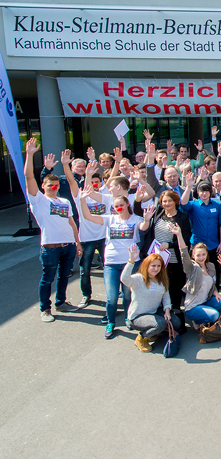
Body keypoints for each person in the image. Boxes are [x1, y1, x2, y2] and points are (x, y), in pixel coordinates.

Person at [80, 183, 154, 339]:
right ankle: (111, 322)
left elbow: (143, 227)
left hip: (130, 263)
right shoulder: (109, 219)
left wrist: (147, 219)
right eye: (116, 206)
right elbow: (88, 216)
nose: (118, 208)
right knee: (112, 297)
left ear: (127, 203)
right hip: (111, 263)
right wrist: (82, 200)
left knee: (127, 295)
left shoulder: (136, 219)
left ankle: (128, 318)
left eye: (121, 205)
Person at [24, 139, 82, 323]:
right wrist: (30, 154)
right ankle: (45, 309)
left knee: (64, 276)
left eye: (56, 185)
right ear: (44, 186)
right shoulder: (39, 200)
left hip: (69, 246)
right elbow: (29, 178)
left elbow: (72, 223)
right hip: (50, 247)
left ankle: (61, 302)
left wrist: (77, 243)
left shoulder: (64, 202)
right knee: (48, 278)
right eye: (50, 185)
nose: (54, 187)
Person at [135, 190, 192, 333]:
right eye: (164, 201)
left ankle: (176, 321)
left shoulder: (182, 218)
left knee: (174, 289)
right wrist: (137, 200)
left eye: (169, 201)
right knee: (158, 286)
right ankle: (161, 318)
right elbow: (137, 212)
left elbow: (186, 238)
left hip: (173, 259)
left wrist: (170, 245)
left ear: (175, 201)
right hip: (156, 259)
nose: (166, 204)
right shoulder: (157, 213)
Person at [63, 150, 103, 309]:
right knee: (84, 270)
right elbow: (71, 181)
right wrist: (66, 164)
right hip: (86, 239)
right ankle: (86, 295)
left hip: (104, 239)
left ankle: (115, 295)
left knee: (110, 268)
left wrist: (92, 165)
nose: (93, 185)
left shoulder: (104, 195)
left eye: (96, 182)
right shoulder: (80, 197)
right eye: (90, 182)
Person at [121, 245, 180, 352]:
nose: (156, 269)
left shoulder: (161, 280)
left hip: (153, 312)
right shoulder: (138, 279)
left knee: (176, 322)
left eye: (159, 266)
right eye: (153, 266)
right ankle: (141, 338)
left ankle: (153, 331)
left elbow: (166, 297)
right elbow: (124, 279)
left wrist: (167, 311)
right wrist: (131, 261)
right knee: (160, 324)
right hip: (138, 316)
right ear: (146, 266)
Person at [169, 223, 221, 326]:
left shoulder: (210, 266)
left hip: (205, 301)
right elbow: (183, 252)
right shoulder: (191, 268)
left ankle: (204, 315)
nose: (201, 258)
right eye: (198, 255)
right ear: (193, 255)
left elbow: (212, 285)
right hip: (193, 306)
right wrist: (179, 235)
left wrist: (216, 293)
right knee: (214, 315)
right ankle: (197, 321)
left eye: (203, 254)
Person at [180, 175, 221, 264]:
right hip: (197, 244)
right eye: (202, 191)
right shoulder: (193, 205)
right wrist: (189, 187)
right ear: (198, 192)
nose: (204, 194)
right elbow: (183, 203)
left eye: (206, 191)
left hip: (214, 245)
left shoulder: (217, 206)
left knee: (213, 270)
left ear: (210, 192)